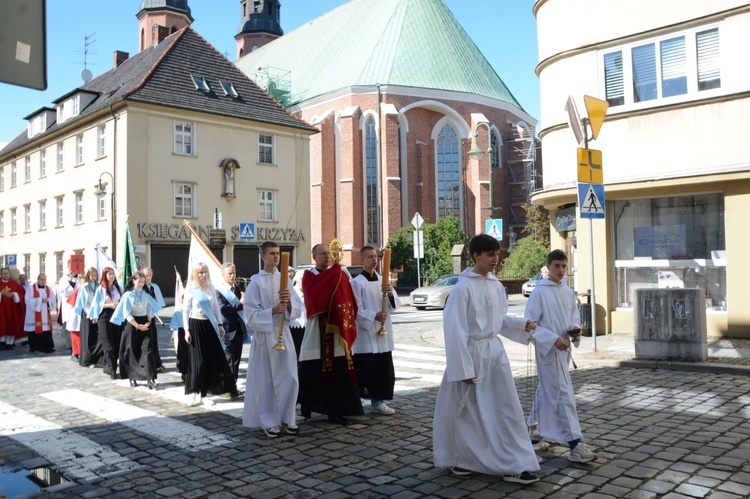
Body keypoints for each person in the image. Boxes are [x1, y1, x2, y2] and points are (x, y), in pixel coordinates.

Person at [433, 234, 540, 483]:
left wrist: (521, 323)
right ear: (476, 256)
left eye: (497, 253)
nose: (496, 259)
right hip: (471, 356)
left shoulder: (495, 285)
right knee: (467, 413)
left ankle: (512, 459)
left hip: (494, 355)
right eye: (490, 254)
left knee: (502, 410)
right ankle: (461, 458)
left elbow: (499, 320)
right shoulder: (462, 289)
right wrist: (464, 368)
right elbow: (454, 330)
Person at [524, 249, 598, 463]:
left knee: (547, 390)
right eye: (556, 266)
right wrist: (551, 338)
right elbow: (529, 324)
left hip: (564, 349)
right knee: (562, 394)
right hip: (548, 351)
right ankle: (575, 444)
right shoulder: (539, 292)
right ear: (548, 267)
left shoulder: (567, 292)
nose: (560, 270)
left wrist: (574, 330)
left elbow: (573, 317)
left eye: (564, 266)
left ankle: (532, 431)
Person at [298, 243, 363, 426]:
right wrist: (336, 270)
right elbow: (316, 296)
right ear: (314, 257)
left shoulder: (339, 273)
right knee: (310, 370)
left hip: (337, 330)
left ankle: (335, 410)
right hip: (318, 328)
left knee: (338, 372)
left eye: (328, 254)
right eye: (322, 254)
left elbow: (347, 296)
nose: (326, 257)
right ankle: (306, 402)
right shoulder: (309, 276)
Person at [242, 242, 302, 438]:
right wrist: (272, 311)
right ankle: (269, 421)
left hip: (284, 333)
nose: (276, 257)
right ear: (263, 257)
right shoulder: (256, 283)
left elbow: (299, 308)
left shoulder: (285, 280)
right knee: (267, 381)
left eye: (278, 253)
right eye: (272, 254)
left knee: (291, 378)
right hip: (266, 336)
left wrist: (290, 304)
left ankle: (288, 418)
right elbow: (250, 315)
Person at [182, 262, 239, 406]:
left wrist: (220, 324)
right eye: (200, 272)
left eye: (205, 272)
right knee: (198, 361)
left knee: (209, 360)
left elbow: (215, 309)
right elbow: (186, 311)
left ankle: (204, 393)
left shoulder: (211, 288)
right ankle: (194, 392)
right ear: (195, 274)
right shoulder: (191, 289)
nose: (203, 275)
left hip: (209, 325)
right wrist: (187, 330)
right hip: (195, 325)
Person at [351, 246, 399, 415]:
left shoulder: (383, 280)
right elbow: (356, 309)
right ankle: (355, 401)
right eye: (370, 257)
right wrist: (373, 316)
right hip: (367, 334)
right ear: (362, 260)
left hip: (384, 334)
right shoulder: (357, 282)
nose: (374, 260)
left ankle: (377, 402)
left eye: (376, 257)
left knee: (383, 370)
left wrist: (391, 294)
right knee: (366, 370)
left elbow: (395, 305)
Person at [112, 270, 162, 389]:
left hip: (145, 322)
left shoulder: (146, 294)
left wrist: (149, 321)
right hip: (132, 324)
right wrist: (137, 325)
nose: (141, 284)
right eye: (139, 282)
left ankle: (150, 378)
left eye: (143, 282)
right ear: (134, 281)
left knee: (148, 350)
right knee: (133, 350)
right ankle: (132, 377)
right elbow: (126, 313)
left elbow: (150, 307)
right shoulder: (128, 295)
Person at [88, 267, 124, 379]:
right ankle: (112, 369)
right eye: (109, 274)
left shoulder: (118, 288)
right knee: (108, 343)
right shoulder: (101, 289)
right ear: (105, 276)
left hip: (116, 316)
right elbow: (96, 305)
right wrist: (109, 305)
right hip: (105, 316)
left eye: (113, 274)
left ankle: (109, 366)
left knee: (116, 342)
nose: (112, 276)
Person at [216, 263, 246, 383]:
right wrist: (240, 303)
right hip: (227, 330)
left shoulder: (239, 289)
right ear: (223, 275)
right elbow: (223, 309)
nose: (233, 275)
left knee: (237, 359)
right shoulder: (218, 291)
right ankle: (228, 385)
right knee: (228, 359)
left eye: (234, 273)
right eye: (230, 273)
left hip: (239, 328)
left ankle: (233, 383)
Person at [75, 268, 103, 368]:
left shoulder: (98, 286)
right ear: (88, 276)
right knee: (87, 336)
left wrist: (96, 314)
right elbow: (84, 303)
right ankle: (86, 360)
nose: (94, 277)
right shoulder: (84, 287)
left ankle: (96, 358)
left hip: (96, 313)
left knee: (96, 336)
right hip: (87, 314)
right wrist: (91, 315)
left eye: (95, 275)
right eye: (92, 276)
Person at [24, 273, 57, 353]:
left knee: (46, 329)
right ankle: (34, 347)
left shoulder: (48, 288)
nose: (43, 281)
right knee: (33, 329)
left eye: (44, 280)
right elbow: (27, 300)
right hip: (34, 314)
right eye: (41, 279)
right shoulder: (31, 288)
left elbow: (53, 298)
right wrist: (40, 300)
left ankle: (47, 347)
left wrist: (48, 300)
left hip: (45, 313)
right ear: (37, 279)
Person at [142, 267, 166, 372]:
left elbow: (159, 303)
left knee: (153, 340)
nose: (148, 278)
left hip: (151, 317)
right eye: (146, 275)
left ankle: (156, 364)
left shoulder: (154, 287)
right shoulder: (140, 287)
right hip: (140, 317)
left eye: (150, 275)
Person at [0, 267, 23, 350]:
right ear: (1, 274)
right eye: (4, 273)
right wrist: (1, 294)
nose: (6, 275)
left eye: (7, 273)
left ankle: (9, 343)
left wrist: (13, 294)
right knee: (2, 324)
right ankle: (1, 342)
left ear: (9, 274)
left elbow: (21, 294)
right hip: (1, 308)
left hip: (12, 309)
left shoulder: (14, 284)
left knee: (11, 323)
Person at [58, 269, 77, 356]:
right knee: (69, 328)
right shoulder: (64, 279)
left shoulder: (81, 277)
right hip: (69, 307)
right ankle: (71, 348)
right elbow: (67, 292)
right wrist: (71, 279)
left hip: (78, 307)